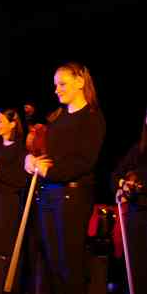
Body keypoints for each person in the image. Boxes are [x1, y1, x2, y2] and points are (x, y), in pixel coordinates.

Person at [24, 62, 106, 294]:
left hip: (72, 196)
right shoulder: (58, 119)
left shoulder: (91, 117)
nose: (57, 89)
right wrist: (29, 161)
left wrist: (48, 171)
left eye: (62, 84)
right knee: (48, 264)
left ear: (80, 82)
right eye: (55, 85)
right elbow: (45, 155)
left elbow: (83, 161)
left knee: (67, 264)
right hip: (49, 194)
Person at [0, 109, 27, 258]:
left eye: (0, 121)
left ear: (12, 124)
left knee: (5, 243)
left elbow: (20, 180)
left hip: (8, 202)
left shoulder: (20, 149)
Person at [111, 107, 147, 293]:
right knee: (135, 273)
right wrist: (123, 184)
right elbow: (115, 175)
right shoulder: (138, 149)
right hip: (137, 219)